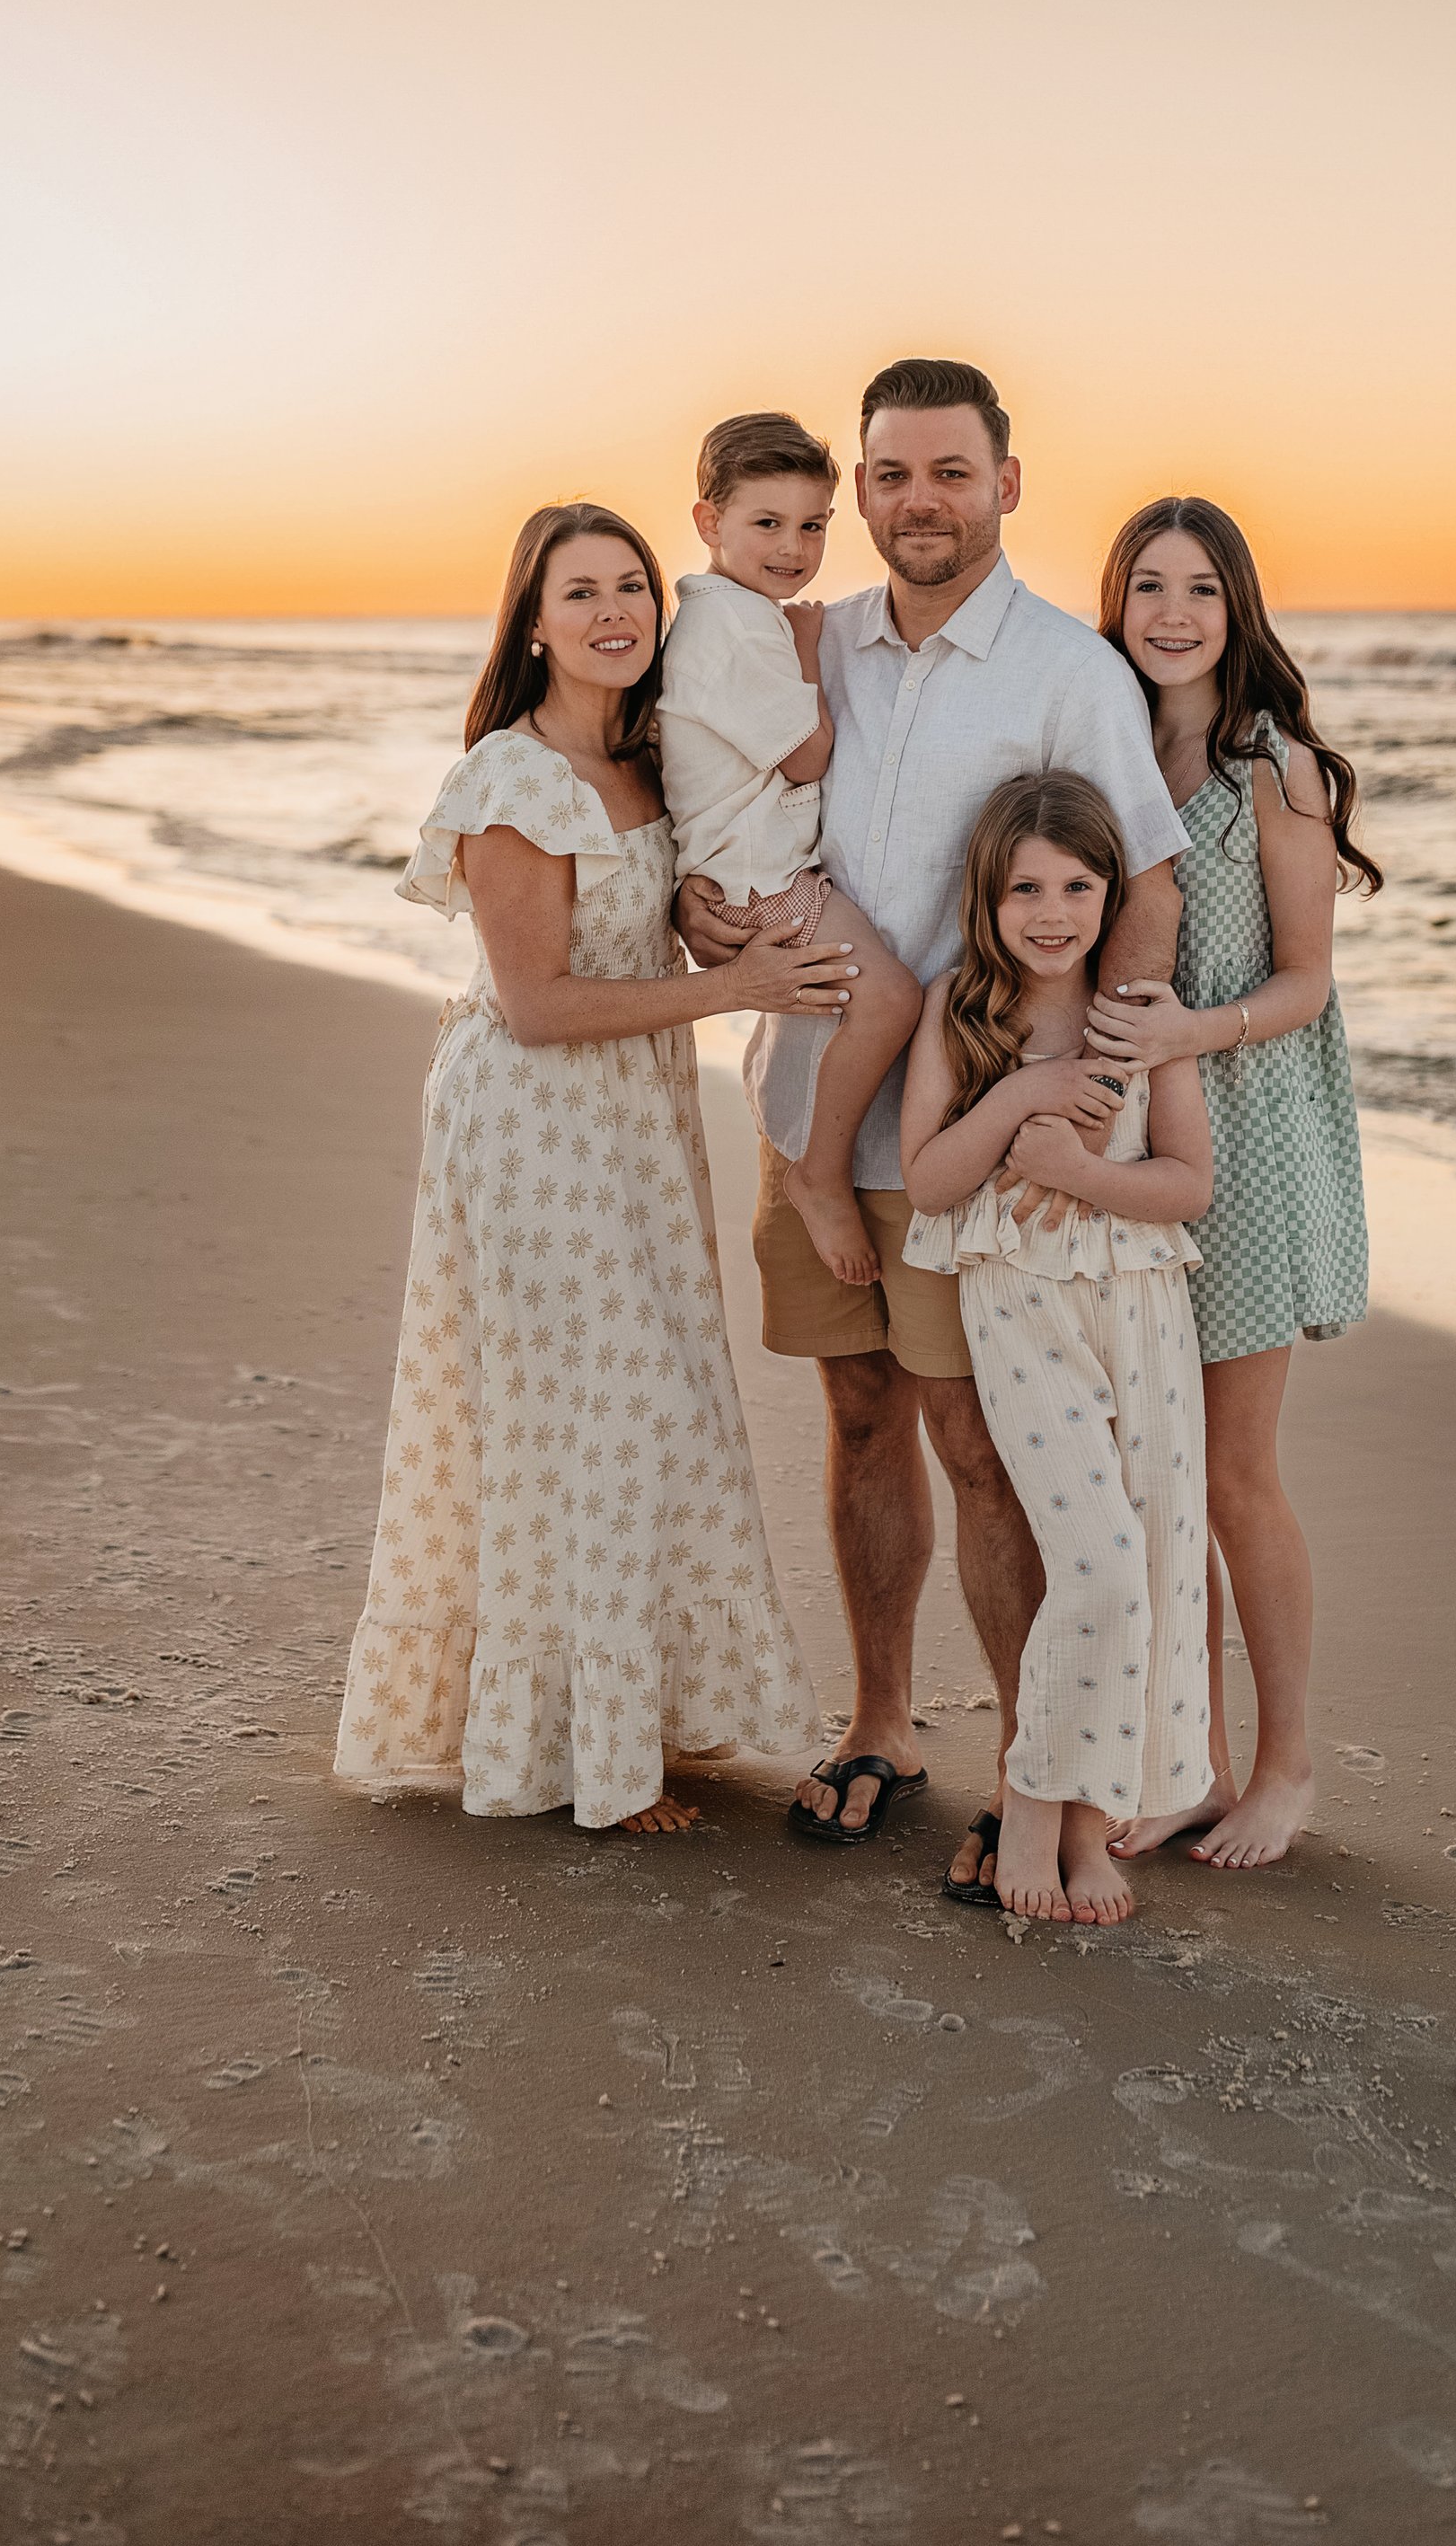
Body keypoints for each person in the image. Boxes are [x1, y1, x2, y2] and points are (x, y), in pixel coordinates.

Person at [675, 358, 1187, 1880]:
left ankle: (1039, 1776)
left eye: (949, 473)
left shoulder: (1068, 673)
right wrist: (712, 928)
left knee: (985, 1446)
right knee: (855, 1417)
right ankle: (881, 1721)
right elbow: (731, 812)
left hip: (982, 1139)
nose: (917, 504)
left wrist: (1090, 1115)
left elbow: (1144, 890)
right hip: (810, 1098)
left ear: (1007, 483)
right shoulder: (808, 642)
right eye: (890, 476)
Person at [332, 500, 840, 1834]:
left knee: (646, 1408)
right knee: (593, 1418)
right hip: (535, 1126)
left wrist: (712, 916)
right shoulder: (517, 777)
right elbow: (541, 1003)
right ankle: (597, 1759)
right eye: (581, 593)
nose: (615, 611)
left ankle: (628, 1717)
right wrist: (734, 982)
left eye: (631, 587)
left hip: (633, 1116)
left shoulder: (647, 759)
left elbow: (657, 912)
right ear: (535, 621)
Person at [1087, 496, 1378, 1870]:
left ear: (1236, 604)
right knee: (1157, 1472)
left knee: (1234, 1476)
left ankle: (1286, 1766)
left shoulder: (1280, 768)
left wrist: (1187, 1033)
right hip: (1131, 1137)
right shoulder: (1104, 749)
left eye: (1201, 588)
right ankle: (1186, 1758)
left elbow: (1307, 978)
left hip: (1249, 1137)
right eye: (1149, 586)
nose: (1174, 613)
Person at [899, 773, 1213, 1926]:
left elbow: (1188, 1184)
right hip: (1022, 1317)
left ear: (1108, 893)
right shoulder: (958, 1009)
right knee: (1097, 1565)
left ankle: (1093, 1822)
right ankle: (1032, 1796)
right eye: (1025, 886)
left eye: (1078, 886)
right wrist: (1021, 1094)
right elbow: (930, 1179)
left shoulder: (1139, 1014)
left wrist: (1083, 1175)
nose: (1051, 911)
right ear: (987, 898)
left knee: (1154, 1564)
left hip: (1142, 1312)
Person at [657, 411, 922, 1294]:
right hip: (763, 887)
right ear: (709, 523)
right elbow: (807, 755)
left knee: (877, 1000)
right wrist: (810, 655)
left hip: (751, 876)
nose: (793, 547)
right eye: (766, 524)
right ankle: (819, 1167)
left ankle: (811, 1152)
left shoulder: (729, 617)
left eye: (812, 525)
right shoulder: (737, 629)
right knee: (888, 1001)